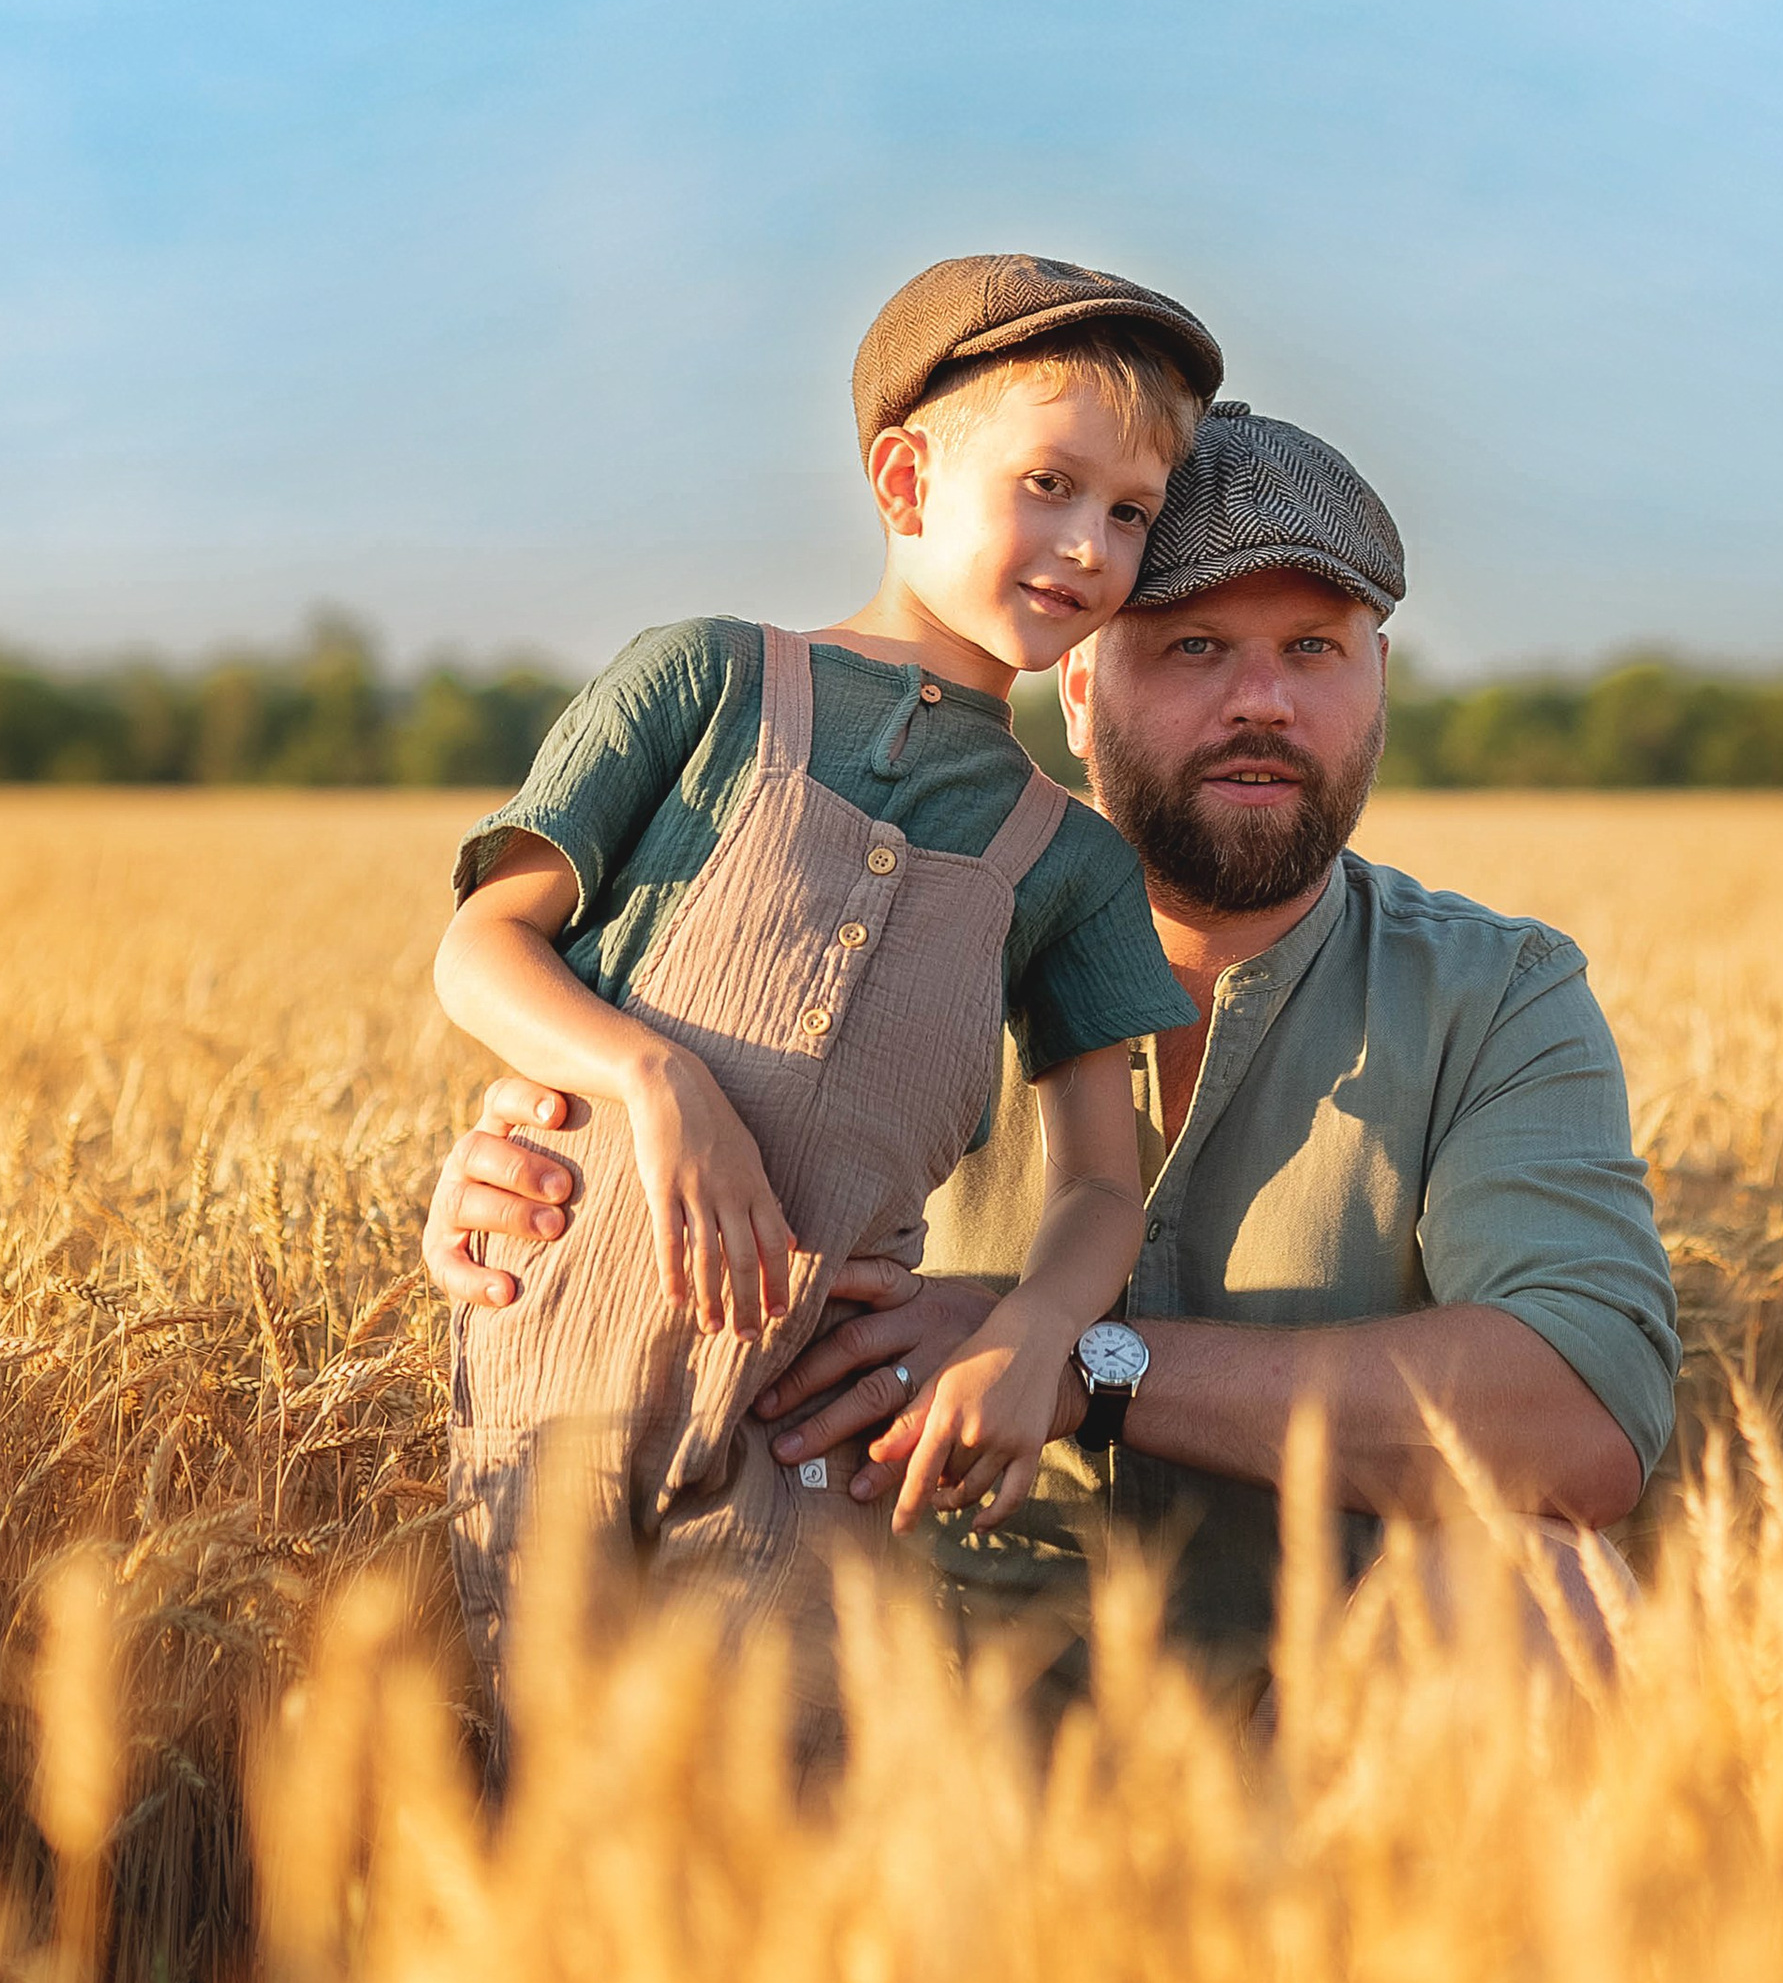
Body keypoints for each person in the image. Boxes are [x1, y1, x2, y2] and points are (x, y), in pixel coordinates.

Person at [430, 400, 1682, 1706]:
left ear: (1379, 680)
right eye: (1194, 645)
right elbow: (622, 1133)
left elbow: (1580, 1417)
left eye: (1314, 647)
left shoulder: (1495, 994)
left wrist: (1081, 1361)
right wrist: (551, 1190)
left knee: (1542, 1586)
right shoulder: (862, 940)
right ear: (1074, 686)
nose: (1264, 700)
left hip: (1339, 1732)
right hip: (907, 1724)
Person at [434, 250, 1224, 1715]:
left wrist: (1034, 1333)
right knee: (544, 1789)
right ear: (906, 481)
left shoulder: (1071, 864)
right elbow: (482, 947)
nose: (1088, 545)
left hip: (809, 1437)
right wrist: (655, 1079)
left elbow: (1101, 1190)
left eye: (1130, 512)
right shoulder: (706, 684)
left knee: (780, 1801)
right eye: (1049, 484)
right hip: (555, 1371)